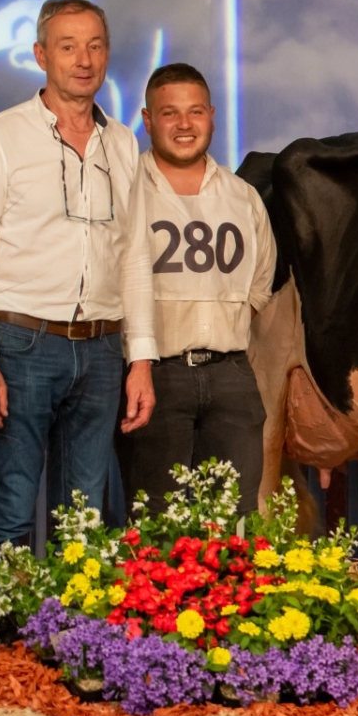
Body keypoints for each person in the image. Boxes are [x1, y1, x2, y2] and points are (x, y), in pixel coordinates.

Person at [0, 0, 158, 557]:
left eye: (94, 46)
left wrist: (141, 359)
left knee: (84, 520)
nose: (83, 59)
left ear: (108, 54)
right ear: (42, 55)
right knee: (11, 506)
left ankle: (70, 643)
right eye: (68, 47)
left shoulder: (121, 143)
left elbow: (135, 256)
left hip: (101, 349)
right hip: (21, 344)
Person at [117, 64, 277, 518]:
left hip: (231, 376)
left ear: (211, 115)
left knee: (234, 519)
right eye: (170, 113)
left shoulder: (242, 196)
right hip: (154, 376)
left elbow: (260, 281)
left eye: (194, 112)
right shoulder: (127, 191)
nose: (184, 125)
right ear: (148, 120)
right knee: (155, 521)